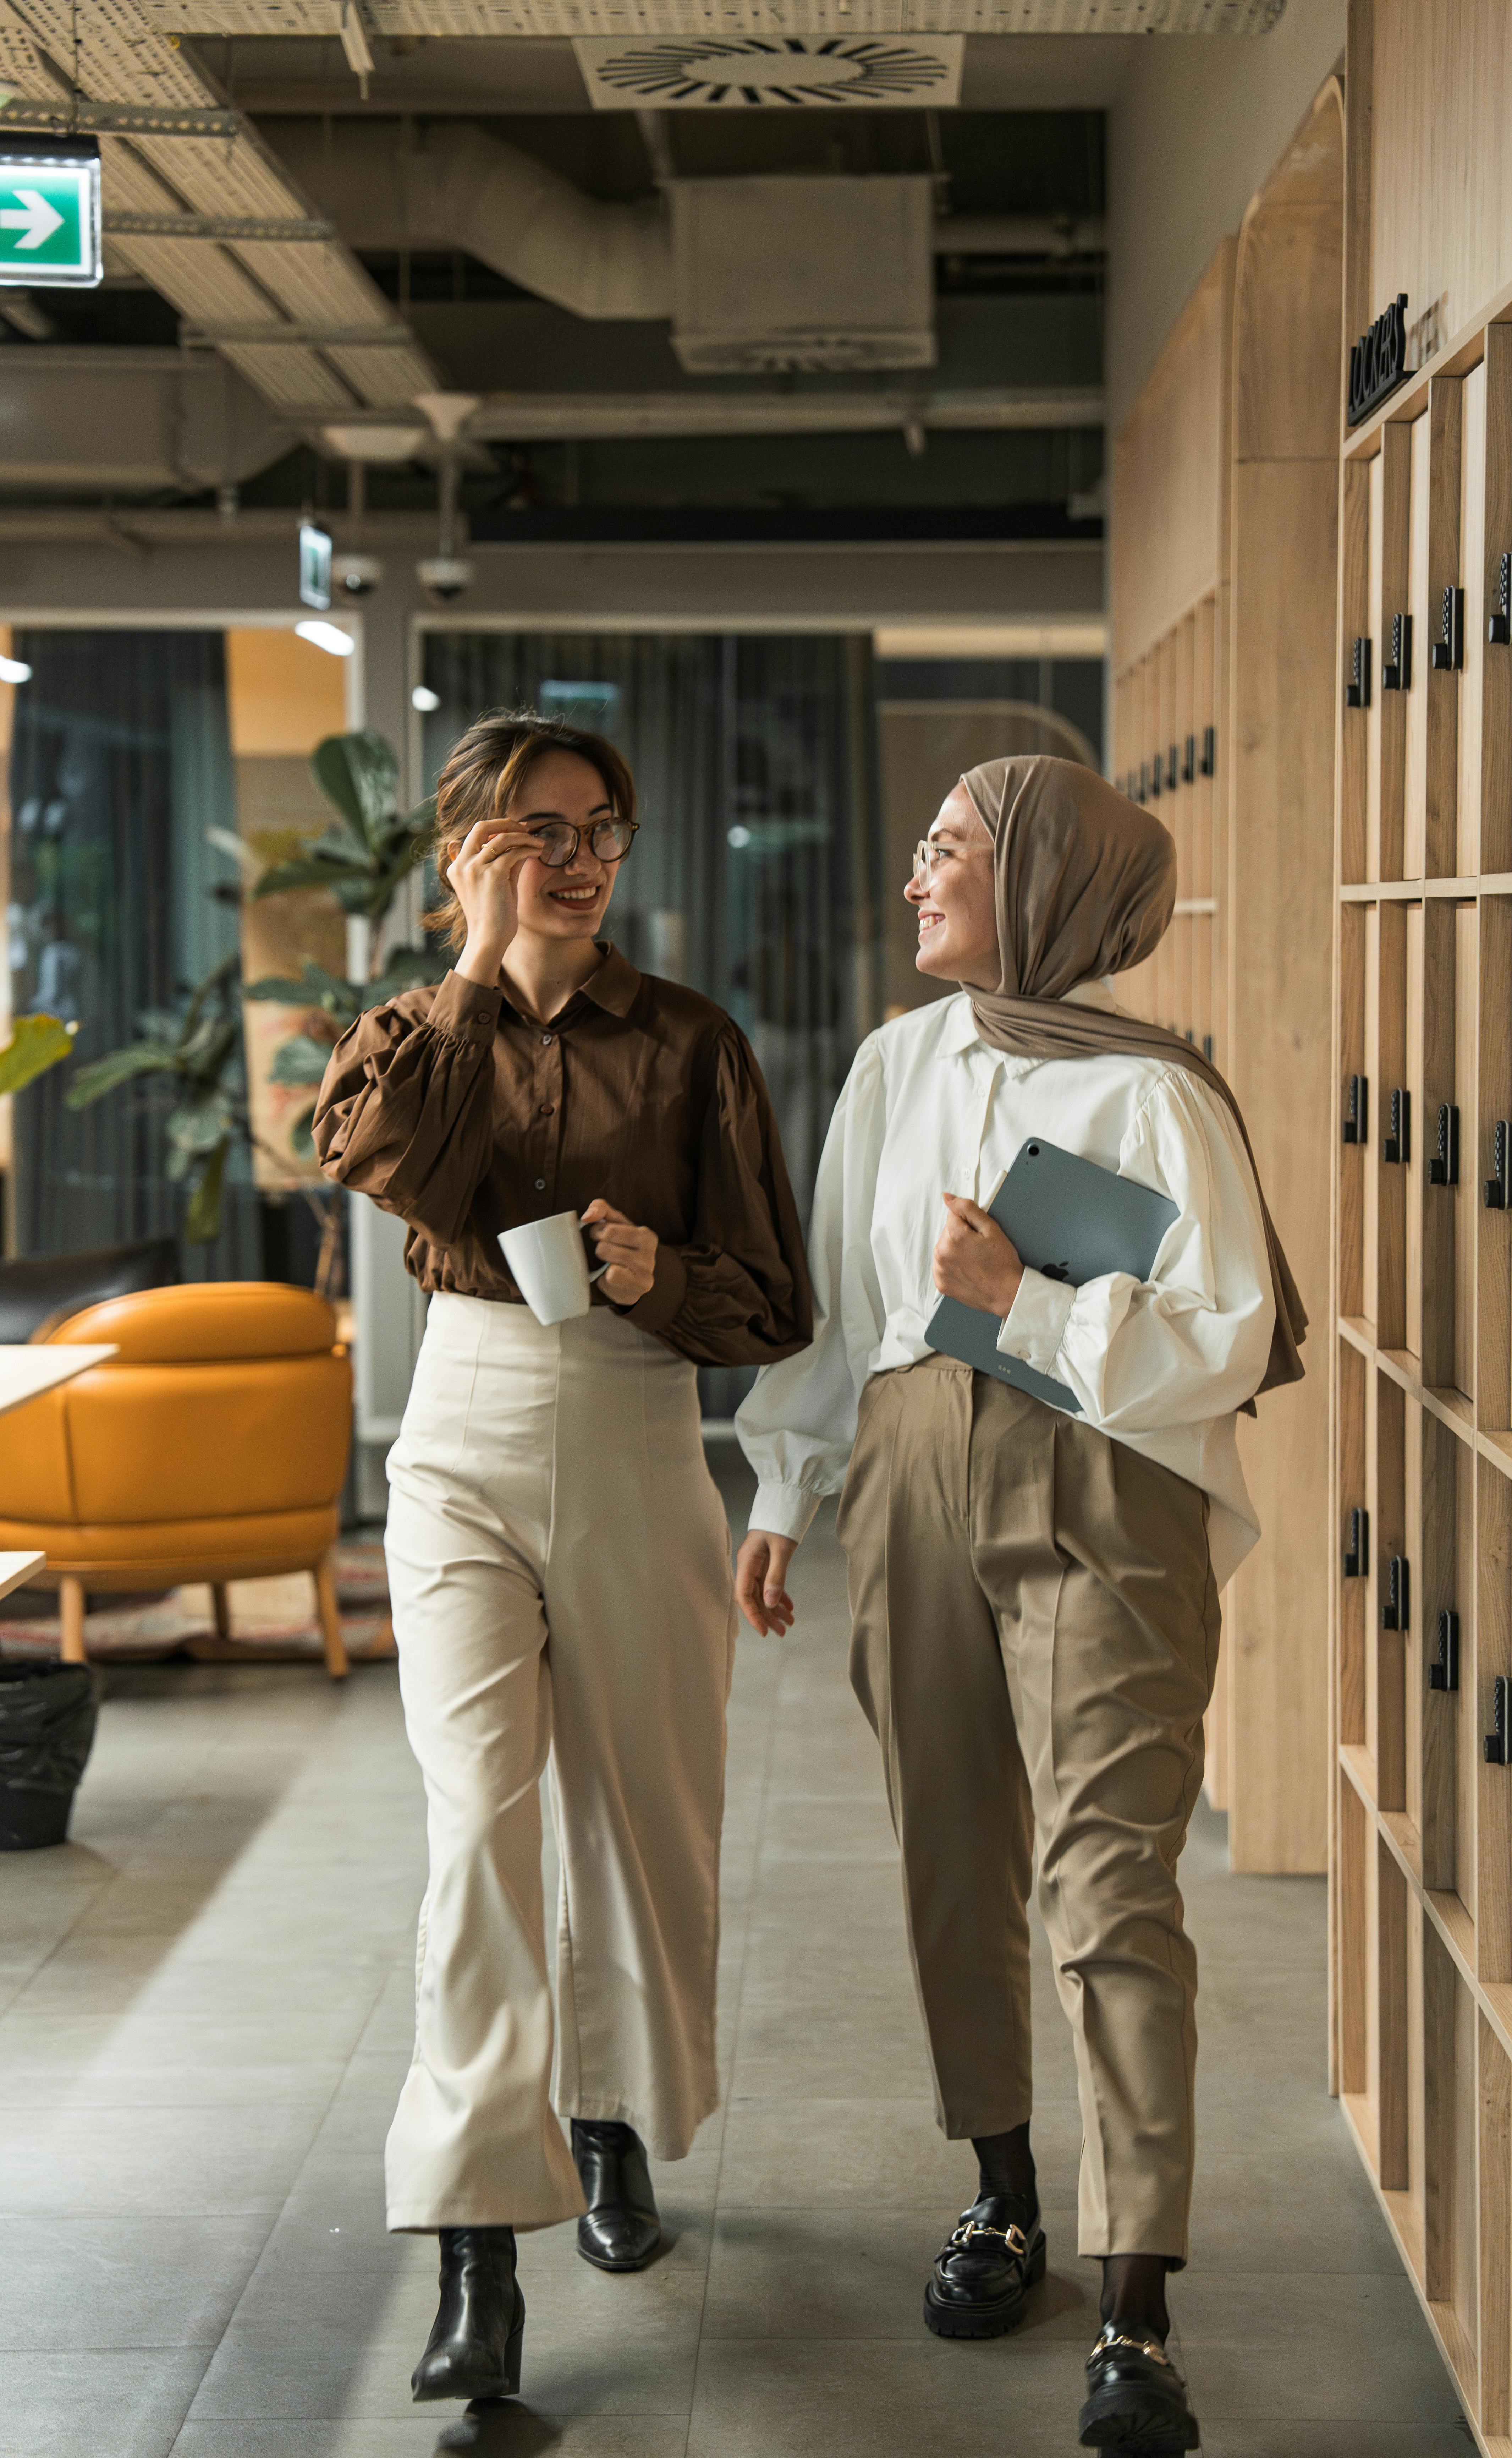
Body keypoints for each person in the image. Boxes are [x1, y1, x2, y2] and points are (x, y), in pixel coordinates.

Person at [733, 756, 1305, 2456]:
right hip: (910, 1457)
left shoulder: (1157, 1098)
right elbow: (846, 1296)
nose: (916, 877)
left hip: (1098, 1472)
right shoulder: (895, 1064)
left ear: (1044, 881)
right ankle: (1001, 2194)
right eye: (917, 849)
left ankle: (1137, 2304)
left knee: (1111, 1869)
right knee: (948, 1840)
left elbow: (1231, 1337)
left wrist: (1026, 1306)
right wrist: (787, 1488)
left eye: (951, 852)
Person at [314, 710, 812, 2404]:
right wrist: (472, 959)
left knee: (640, 1822)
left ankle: (608, 2126)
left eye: (601, 825)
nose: (580, 855)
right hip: (457, 1434)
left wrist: (653, 1266)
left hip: (634, 1421)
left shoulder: (689, 1044)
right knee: (478, 1829)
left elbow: (772, 1297)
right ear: (470, 848)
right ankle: (477, 2250)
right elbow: (388, 1164)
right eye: (537, 828)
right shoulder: (410, 1031)